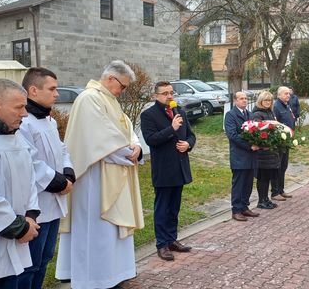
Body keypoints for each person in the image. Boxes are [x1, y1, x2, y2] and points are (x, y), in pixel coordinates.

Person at [55, 60, 144, 289]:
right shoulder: (89, 99)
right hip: (95, 178)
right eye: (122, 86)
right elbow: (101, 140)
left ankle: (113, 274)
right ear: (110, 79)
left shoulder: (110, 100)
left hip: (114, 173)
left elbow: (127, 131)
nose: (123, 92)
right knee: (97, 230)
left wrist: (136, 147)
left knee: (111, 231)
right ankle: (94, 278)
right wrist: (129, 153)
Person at [17, 68, 75, 289]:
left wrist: (68, 173)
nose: (57, 94)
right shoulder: (24, 122)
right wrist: (59, 182)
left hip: (54, 203)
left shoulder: (48, 121)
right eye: (52, 89)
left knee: (44, 259)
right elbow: (29, 160)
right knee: (29, 264)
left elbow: (62, 149)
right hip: (37, 204)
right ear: (33, 90)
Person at [0, 79, 40, 289]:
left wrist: (31, 215)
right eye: (19, 107)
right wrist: (17, 226)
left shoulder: (17, 138)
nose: (25, 113)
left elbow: (30, 179)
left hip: (17, 240)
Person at [141, 81, 195, 261]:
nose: (170, 96)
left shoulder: (179, 110)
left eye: (171, 92)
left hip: (180, 167)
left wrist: (188, 144)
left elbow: (191, 135)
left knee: (174, 208)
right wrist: (171, 128)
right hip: (164, 169)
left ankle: (172, 239)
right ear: (156, 96)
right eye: (165, 93)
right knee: (162, 208)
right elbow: (151, 140)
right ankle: (162, 244)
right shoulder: (148, 115)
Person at [225, 92, 260, 221]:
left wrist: (260, 143)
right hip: (239, 156)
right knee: (238, 184)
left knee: (248, 183)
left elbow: (256, 132)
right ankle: (236, 210)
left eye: (245, 98)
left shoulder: (250, 115)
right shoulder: (231, 115)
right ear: (235, 100)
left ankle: (245, 207)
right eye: (241, 99)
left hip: (251, 157)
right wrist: (249, 146)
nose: (244, 101)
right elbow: (232, 135)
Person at [252, 91, 280, 210]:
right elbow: (256, 133)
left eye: (270, 100)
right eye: (266, 100)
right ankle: (261, 200)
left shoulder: (270, 112)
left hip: (271, 151)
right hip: (262, 152)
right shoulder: (257, 114)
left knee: (268, 177)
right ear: (261, 101)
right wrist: (265, 144)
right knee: (262, 177)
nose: (268, 102)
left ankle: (266, 198)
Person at [273, 86, 295, 200]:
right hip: (279, 142)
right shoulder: (276, 106)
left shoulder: (287, 105)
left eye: (289, 94)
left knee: (283, 166)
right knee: (278, 166)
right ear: (279, 95)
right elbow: (276, 124)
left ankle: (281, 189)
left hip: (287, 141)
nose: (288, 95)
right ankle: (275, 191)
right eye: (286, 94)